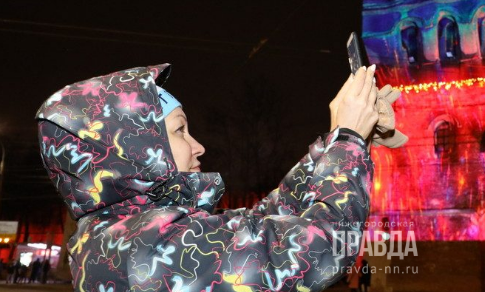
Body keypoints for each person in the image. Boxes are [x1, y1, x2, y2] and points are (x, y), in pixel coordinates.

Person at [37, 63, 380, 292]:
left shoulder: (124, 233)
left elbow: (262, 221)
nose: (198, 146)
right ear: (135, 147)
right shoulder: (144, 248)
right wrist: (348, 141)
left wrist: (338, 141)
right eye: (180, 131)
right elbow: (321, 248)